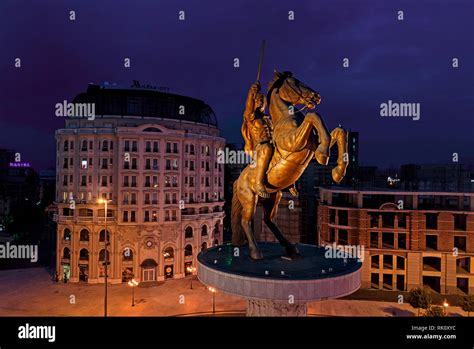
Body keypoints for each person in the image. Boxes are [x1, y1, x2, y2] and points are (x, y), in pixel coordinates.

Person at [241, 81, 274, 198]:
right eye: (258, 99)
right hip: (260, 147)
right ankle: (259, 182)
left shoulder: (268, 119)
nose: (260, 101)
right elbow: (248, 107)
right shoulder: (251, 117)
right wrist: (251, 93)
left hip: (271, 144)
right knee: (267, 148)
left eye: (262, 100)